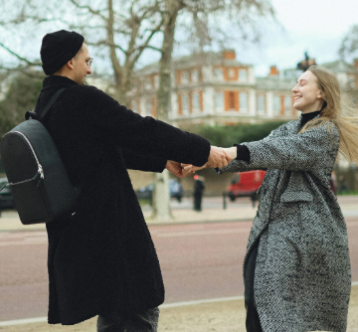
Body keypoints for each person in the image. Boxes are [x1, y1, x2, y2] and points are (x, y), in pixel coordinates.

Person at [36, 30, 231, 331]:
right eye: (86, 61)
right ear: (70, 61)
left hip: (82, 226)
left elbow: (105, 146)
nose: (90, 68)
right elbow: (141, 129)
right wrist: (204, 149)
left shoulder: (48, 103)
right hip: (109, 225)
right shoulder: (82, 98)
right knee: (139, 306)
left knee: (114, 310)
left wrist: (161, 161)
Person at [184, 66, 358, 332]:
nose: (294, 88)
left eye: (302, 83)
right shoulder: (288, 127)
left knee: (280, 309)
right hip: (271, 225)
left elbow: (279, 151)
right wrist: (205, 161)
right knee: (256, 301)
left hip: (305, 229)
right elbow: (257, 152)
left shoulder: (326, 131)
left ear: (322, 92)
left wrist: (229, 150)